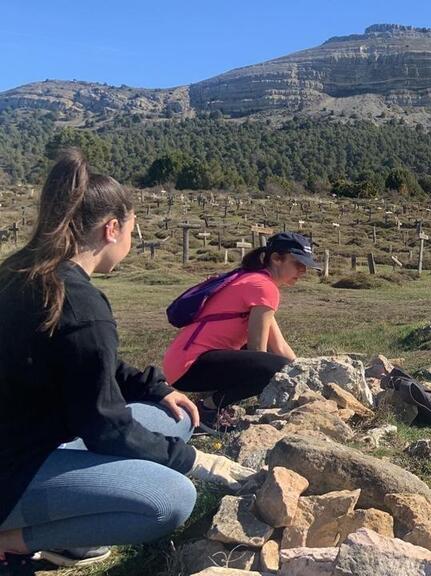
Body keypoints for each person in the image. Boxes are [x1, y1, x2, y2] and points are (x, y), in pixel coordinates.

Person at [0, 149, 252, 573]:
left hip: (30, 439)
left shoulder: (21, 273)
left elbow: (86, 363)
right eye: (133, 230)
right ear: (112, 229)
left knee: (174, 419)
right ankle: (14, 541)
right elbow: (104, 428)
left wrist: (156, 387)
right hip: (14, 472)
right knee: (170, 499)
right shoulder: (80, 304)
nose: (132, 242)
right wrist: (197, 462)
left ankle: (68, 532)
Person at [163, 232, 315, 431]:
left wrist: (305, 377)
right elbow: (258, 351)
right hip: (190, 367)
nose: (303, 271)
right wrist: (281, 381)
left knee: (277, 364)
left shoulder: (253, 279)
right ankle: (208, 410)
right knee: (272, 368)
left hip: (179, 364)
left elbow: (278, 345)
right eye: (298, 264)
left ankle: (213, 406)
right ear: (277, 258)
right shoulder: (264, 287)